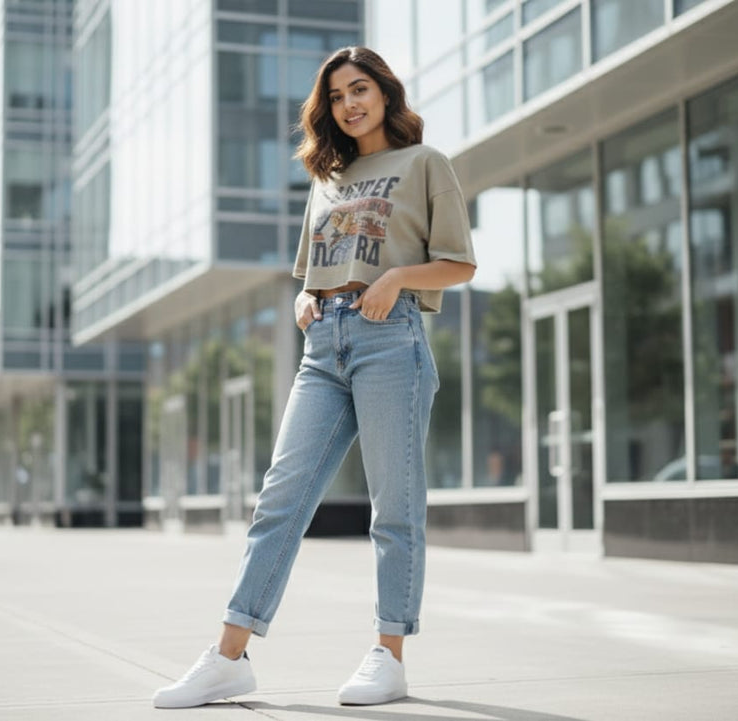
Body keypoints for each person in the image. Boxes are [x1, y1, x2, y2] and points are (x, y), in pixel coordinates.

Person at [153, 46, 477, 709]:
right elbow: (311, 271)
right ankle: (228, 656)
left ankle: (389, 655)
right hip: (322, 346)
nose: (349, 103)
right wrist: (305, 297)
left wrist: (394, 278)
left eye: (360, 89)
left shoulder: (424, 164)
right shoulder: (326, 179)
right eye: (336, 96)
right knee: (279, 501)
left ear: (385, 93)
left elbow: (458, 264)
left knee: (394, 508)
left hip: (392, 338)